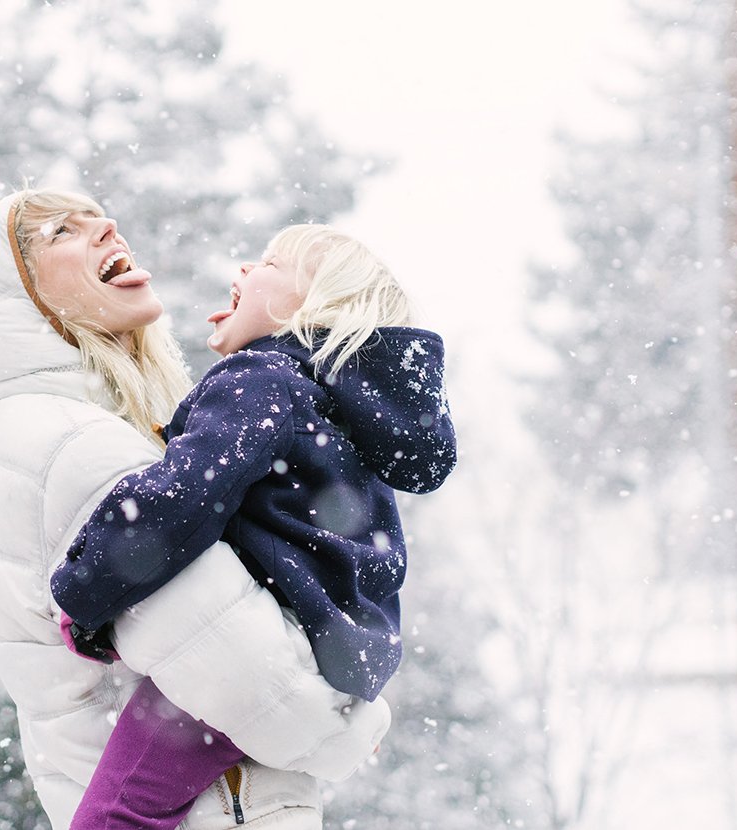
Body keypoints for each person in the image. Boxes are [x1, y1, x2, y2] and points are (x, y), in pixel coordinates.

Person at [0, 188, 391, 830]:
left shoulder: (116, 428)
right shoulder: (78, 441)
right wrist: (354, 720)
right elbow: (240, 672)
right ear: (21, 303)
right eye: (62, 231)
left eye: (100, 216)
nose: (107, 229)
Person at [51, 223, 457, 829]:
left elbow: (179, 498)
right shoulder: (335, 413)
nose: (242, 269)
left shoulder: (260, 382)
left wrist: (85, 593)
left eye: (267, 262)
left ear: (313, 308)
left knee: (117, 813)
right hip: (326, 657)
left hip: (252, 650)